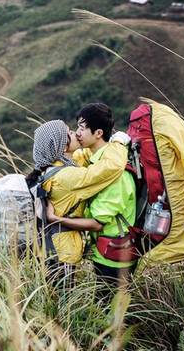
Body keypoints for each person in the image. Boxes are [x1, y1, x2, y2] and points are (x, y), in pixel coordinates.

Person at [25, 119, 130, 290]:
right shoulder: (66, 177)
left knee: (54, 300)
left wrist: (98, 144)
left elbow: (80, 157)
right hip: (61, 254)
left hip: (51, 248)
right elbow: (110, 168)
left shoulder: (51, 169)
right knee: (64, 308)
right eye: (71, 133)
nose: (76, 133)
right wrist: (118, 143)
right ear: (62, 146)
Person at [47, 103, 137, 299]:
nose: (77, 133)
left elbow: (97, 223)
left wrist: (56, 219)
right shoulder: (96, 159)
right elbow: (78, 157)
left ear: (97, 133)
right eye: (76, 128)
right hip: (104, 250)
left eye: (81, 128)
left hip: (115, 257)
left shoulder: (116, 175)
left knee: (111, 313)